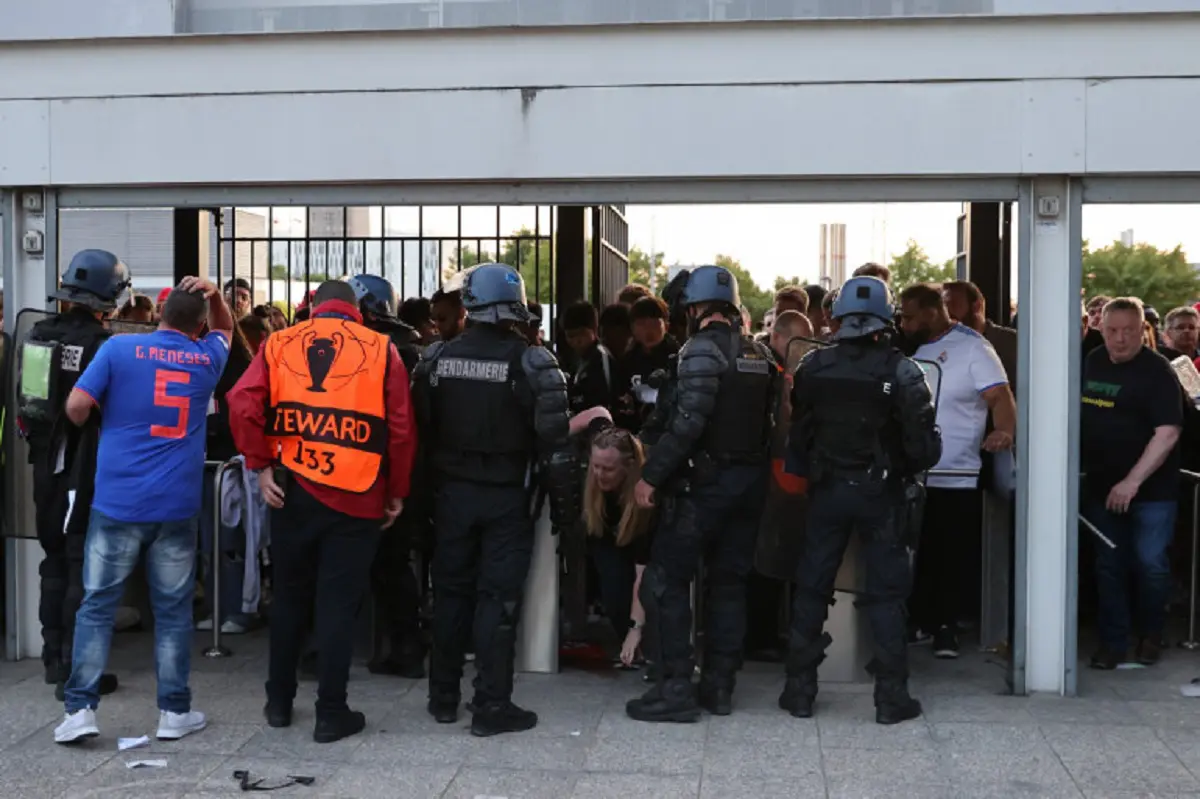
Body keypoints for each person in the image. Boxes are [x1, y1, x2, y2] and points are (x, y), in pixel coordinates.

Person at [227, 280, 417, 744]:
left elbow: (242, 402)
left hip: (293, 493)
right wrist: (397, 491)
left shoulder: (279, 342)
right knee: (338, 605)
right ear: (359, 311)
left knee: (289, 599)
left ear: (313, 307)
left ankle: (278, 702)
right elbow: (400, 427)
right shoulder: (381, 349)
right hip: (358, 496)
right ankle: (331, 713)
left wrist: (261, 464)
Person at [54, 277, 233, 744]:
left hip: (117, 501)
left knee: (97, 605)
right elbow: (227, 332)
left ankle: (80, 711)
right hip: (176, 506)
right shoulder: (205, 359)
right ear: (197, 326)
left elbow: (75, 407)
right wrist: (214, 296)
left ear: (158, 315)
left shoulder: (118, 351)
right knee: (172, 611)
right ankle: (174, 712)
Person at [412, 263, 576, 736]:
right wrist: (567, 518)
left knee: (449, 596)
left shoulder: (436, 358)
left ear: (470, 304)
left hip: (450, 496)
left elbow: (420, 436)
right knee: (497, 602)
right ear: (517, 306)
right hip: (507, 498)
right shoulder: (535, 363)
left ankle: (443, 698)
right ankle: (491, 706)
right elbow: (556, 446)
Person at [777, 276, 941, 725]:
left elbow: (801, 430)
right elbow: (925, 449)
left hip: (827, 491)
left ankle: (799, 692)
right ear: (886, 319)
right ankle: (890, 698)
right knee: (886, 595)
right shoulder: (904, 371)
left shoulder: (813, 365)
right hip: (880, 493)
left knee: (812, 589)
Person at [625, 265, 777, 723]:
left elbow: (689, 421)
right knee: (728, 585)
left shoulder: (700, 351)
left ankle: (674, 691)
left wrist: (651, 475)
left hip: (702, 487)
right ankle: (719, 687)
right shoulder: (760, 354)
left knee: (667, 583)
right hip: (748, 486)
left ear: (695, 308)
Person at [17, 250, 130, 703]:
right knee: (81, 564)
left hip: (43, 465)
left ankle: (50, 660)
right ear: (110, 298)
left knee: (53, 561)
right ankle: (74, 671)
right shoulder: (105, 345)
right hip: (85, 469)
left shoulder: (38, 334)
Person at [1082, 297, 1183, 669]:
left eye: (1128, 331)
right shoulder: (1092, 361)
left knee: (1150, 564)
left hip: (1151, 491)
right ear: (1100, 329)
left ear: (1143, 330)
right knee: (1108, 565)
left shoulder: (1157, 372)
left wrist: (1132, 482)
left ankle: (1151, 635)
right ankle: (1113, 642)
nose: (1119, 339)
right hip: (1101, 485)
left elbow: (1168, 433)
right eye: (1112, 331)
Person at [346, 273, 426, 678]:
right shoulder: (412, 349)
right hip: (398, 472)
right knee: (390, 567)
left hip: (378, 472)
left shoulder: (384, 351)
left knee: (383, 567)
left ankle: (403, 647)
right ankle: (402, 646)